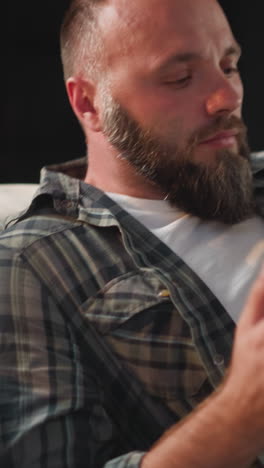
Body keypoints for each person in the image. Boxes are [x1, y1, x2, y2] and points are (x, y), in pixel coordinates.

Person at [1, 0, 264, 466]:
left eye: (229, 65)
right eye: (180, 79)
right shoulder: (31, 266)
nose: (227, 96)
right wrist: (240, 414)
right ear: (89, 103)